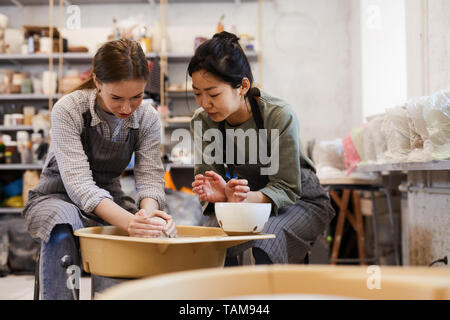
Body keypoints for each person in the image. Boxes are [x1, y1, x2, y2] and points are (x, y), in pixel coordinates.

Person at [22, 38, 176, 300]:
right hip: (57, 195)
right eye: (116, 98)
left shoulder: (147, 118)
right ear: (97, 82)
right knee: (63, 225)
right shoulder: (69, 109)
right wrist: (130, 223)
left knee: (137, 236)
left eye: (136, 97)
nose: (127, 108)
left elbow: (150, 179)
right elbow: (79, 185)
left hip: (110, 196)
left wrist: (147, 219)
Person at [190, 31, 335, 265]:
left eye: (213, 94)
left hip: (298, 199)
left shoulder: (277, 114)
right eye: (197, 93)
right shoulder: (203, 120)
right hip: (243, 198)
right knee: (209, 243)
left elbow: (287, 187)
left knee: (266, 240)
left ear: (243, 86)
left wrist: (241, 198)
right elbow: (209, 180)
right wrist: (221, 195)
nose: (205, 103)